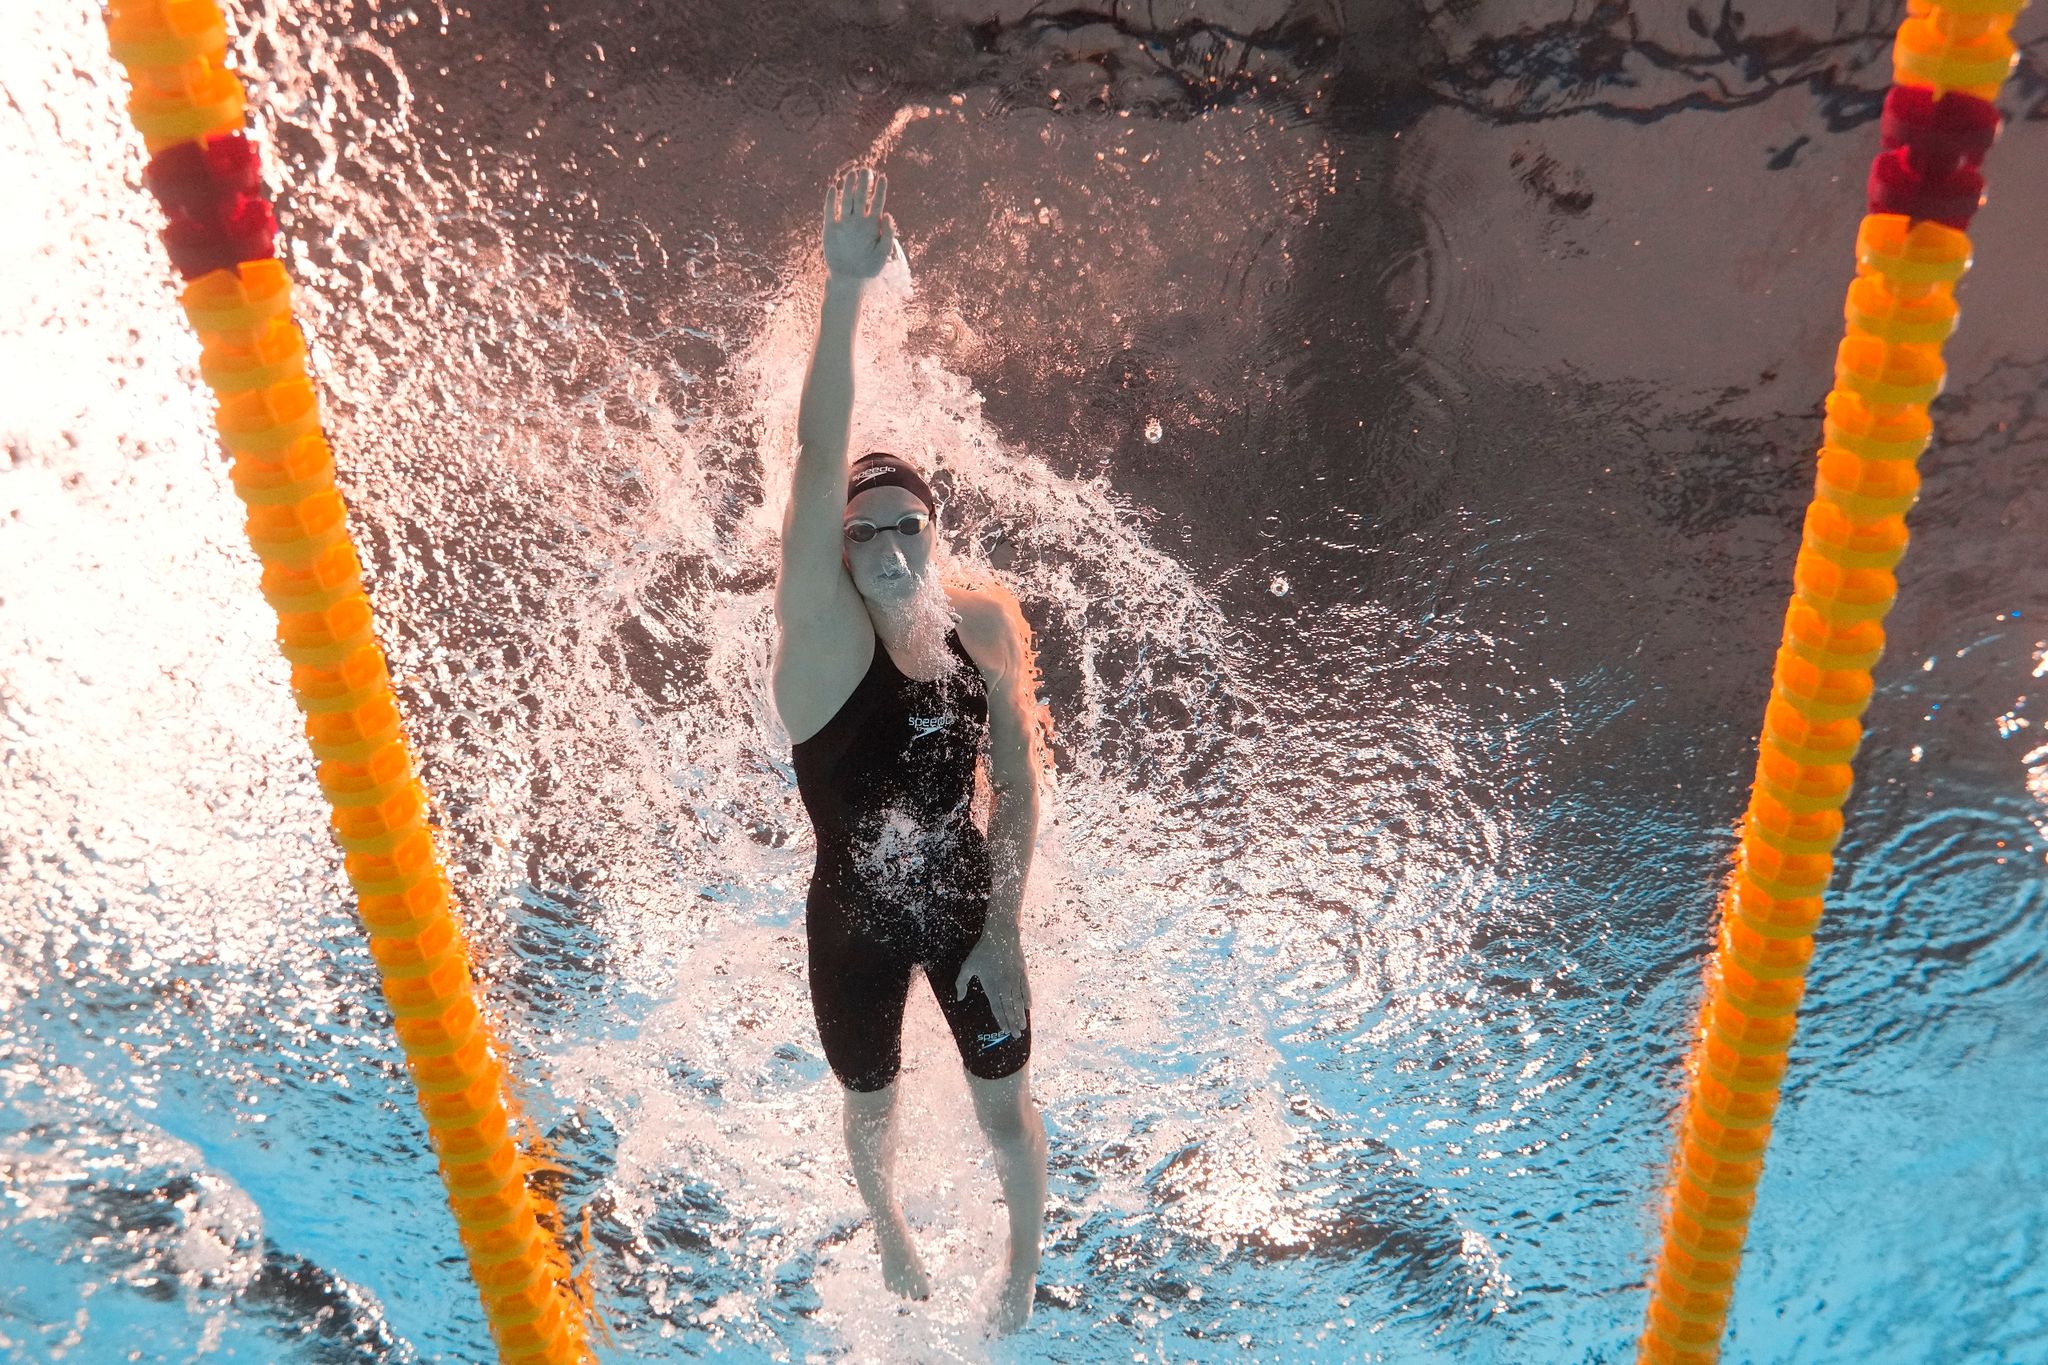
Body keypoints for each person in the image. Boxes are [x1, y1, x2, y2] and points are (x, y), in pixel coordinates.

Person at [771, 167, 1050, 1336]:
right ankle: (884, 1219)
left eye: (906, 527)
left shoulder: (976, 620)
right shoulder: (821, 643)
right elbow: (817, 447)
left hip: (963, 905)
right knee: (868, 1108)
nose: (884, 547)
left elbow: (1022, 777)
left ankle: (1022, 1265)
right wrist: (843, 293)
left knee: (1006, 1109)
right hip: (852, 919)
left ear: (935, 532)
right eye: (861, 531)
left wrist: (1003, 928)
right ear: (834, 549)